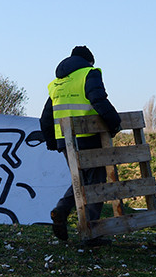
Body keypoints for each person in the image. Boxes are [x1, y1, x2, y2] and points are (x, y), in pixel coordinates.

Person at [39, 45, 122, 242]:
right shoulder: (89, 74)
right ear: (89, 61)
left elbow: (45, 118)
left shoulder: (57, 83)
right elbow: (99, 100)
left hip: (65, 141)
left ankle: (61, 210)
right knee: (96, 181)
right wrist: (115, 124)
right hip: (89, 137)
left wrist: (53, 141)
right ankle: (91, 232)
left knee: (81, 179)